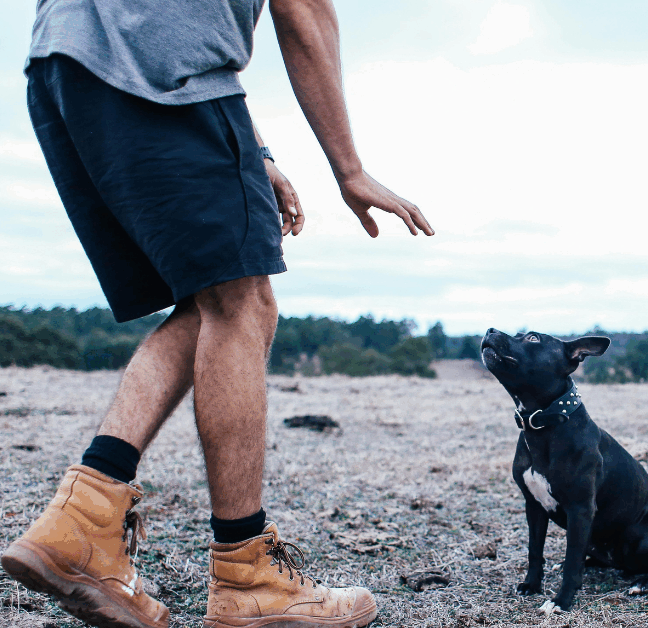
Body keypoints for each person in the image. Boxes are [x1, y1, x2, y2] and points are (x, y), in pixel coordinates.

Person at [1, 1, 433, 627]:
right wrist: (350, 169)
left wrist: (255, 150)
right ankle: (246, 575)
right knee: (244, 302)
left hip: (65, 61)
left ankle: (81, 522)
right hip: (156, 69)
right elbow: (303, 8)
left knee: (214, 299)